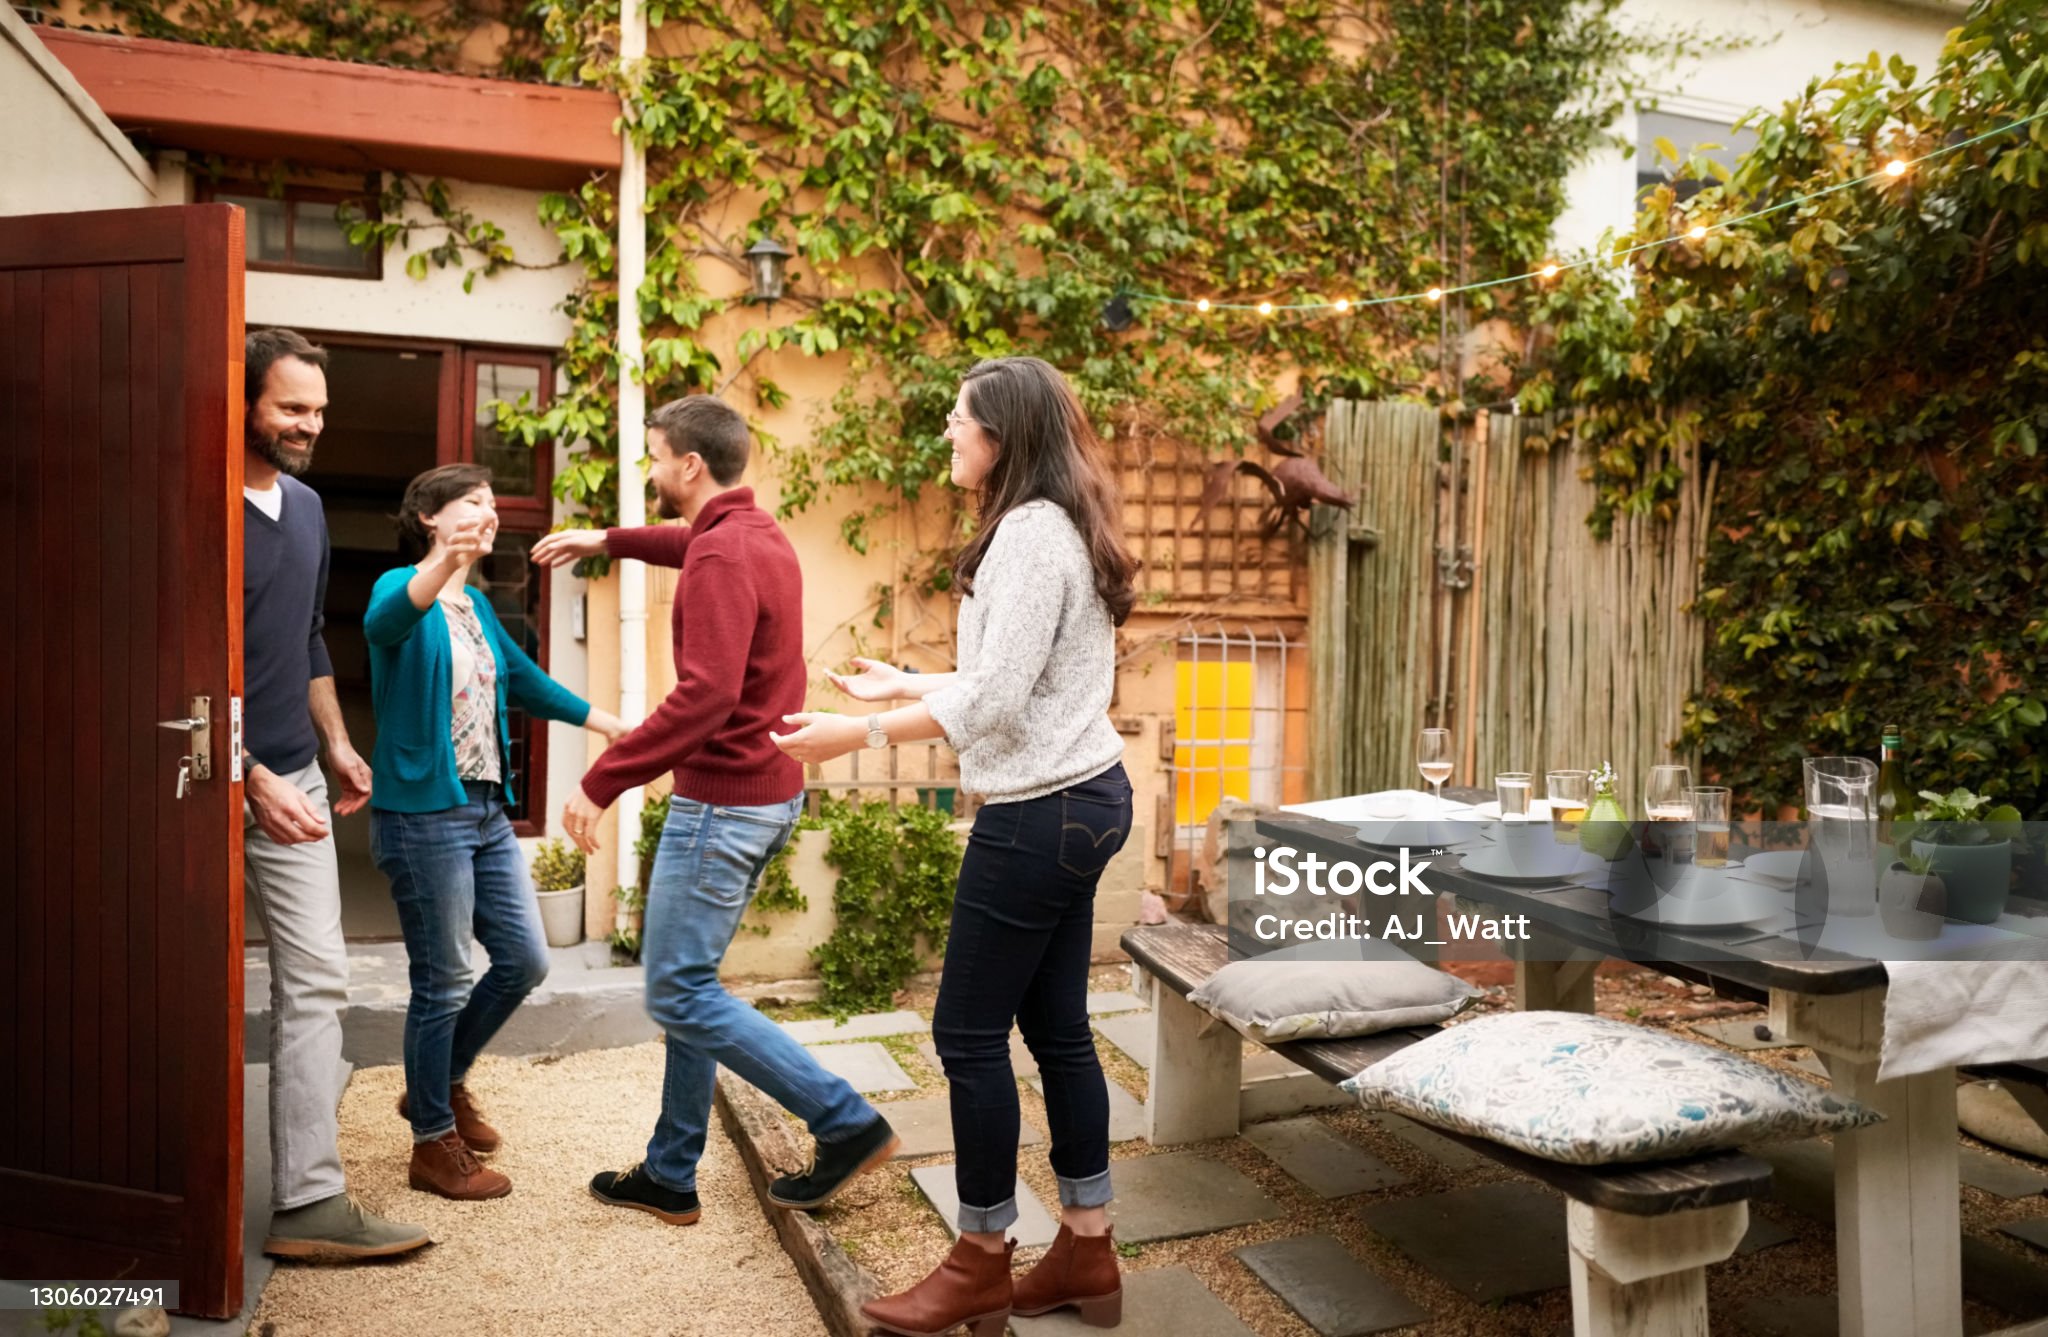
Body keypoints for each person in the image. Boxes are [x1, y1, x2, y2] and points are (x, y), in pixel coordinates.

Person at [773, 355, 1137, 1334]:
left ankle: (980, 1256)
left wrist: (853, 735)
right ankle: (1086, 1248)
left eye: (958, 419)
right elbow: (1021, 667)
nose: (946, 431)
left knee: (966, 1032)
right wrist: (903, 682)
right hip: (1088, 796)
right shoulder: (1062, 522)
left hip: (1037, 814)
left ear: (1000, 436)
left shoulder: (1026, 532)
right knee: (1057, 1028)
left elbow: (996, 696)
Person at [531, 394, 896, 1229]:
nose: (652, 470)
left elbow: (704, 697)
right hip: (764, 794)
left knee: (677, 992)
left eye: (656, 456)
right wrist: (610, 540)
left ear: (690, 465)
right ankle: (670, 1172)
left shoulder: (723, 553)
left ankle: (845, 1120)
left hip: (720, 806)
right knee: (692, 983)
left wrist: (603, 778)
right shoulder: (750, 534)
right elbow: (691, 544)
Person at [364, 464, 627, 1200]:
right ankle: (430, 1141)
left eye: (490, 504)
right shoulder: (401, 590)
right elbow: (386, 624)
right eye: (472, 504)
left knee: (524, 958)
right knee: (443, 976)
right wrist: (445, 559)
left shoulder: (475, 606)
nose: (489, 513)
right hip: (422, 817)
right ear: (429, 518)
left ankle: (436, 1087)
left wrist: (612, 726)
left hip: (483, 810)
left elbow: (525, 682)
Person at [240, 328, 429, 1261]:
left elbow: (309, 636)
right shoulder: (197, 506)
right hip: (206, 778)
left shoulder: (306, 508)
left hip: (298, 776)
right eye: (290, 408)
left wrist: (337, 744)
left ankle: (308, 1202)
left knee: (315, 978)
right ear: (240, 403)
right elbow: (168, 658)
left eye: (318, 410)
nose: (309, 426)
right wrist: (244, 772)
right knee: (156, 988)